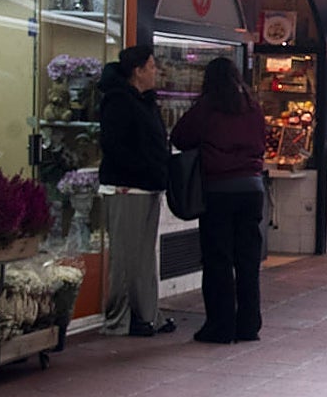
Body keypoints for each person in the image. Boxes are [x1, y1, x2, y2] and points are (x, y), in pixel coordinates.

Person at [171, 56, 267, 344]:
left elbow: (180, 137)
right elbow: (262, 140)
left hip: (218, 190)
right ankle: (249, 325)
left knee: (218, 259)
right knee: (248, 261)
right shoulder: (252, 107)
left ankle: (220, 326)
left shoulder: (207, 107)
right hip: (252, 189)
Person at [97, 44, 175, 337]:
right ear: (137, 71)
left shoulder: (147, 101)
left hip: (149, 185)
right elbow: (114, 145)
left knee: (143, 256)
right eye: (152, 66)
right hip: (127, 187)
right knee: (125, 256)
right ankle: (120, 318)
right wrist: (144, 169)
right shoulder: (117, 101)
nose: (156, 71)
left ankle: (147, 313)